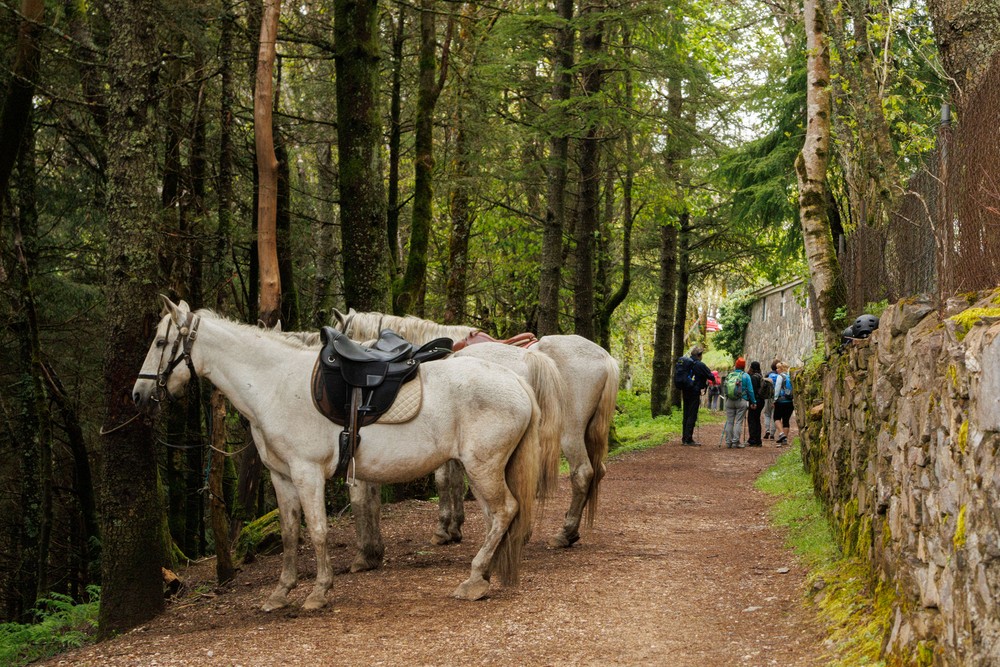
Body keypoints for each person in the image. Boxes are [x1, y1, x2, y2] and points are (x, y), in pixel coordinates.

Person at [680, 346, 715, 446]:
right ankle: (688, 439)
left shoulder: (686, 363)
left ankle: (684, 437)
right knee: (692, 414)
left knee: (686, 414)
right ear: (699, 355)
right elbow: (711, 376)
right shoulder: (700, 364)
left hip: (685, 391)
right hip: (694, 392)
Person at [723, 357, 756, 448]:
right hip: (741, 401)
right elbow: (750, 390)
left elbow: (725, 388)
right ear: (744, 366)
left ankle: (728, 442)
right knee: (738, 422)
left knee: (729, 421)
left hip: (729, 401)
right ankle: (735, 442)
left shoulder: (730, 375)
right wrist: (753, 401)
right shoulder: (746, 376)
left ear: (736, 366)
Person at [772, 362, 794, 446]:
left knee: (776, 418)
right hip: (789, 401)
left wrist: (774, 399)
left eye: (778, 368)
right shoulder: (790, 376)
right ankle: (785, 440)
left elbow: (777, 388)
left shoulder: (780, 376)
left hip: (781, 401)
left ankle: (781, 434)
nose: (776, 370)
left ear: (781, 369)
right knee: (786, 420)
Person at [746, 361, 765, 446]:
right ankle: (758, 440)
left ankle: (752, 440)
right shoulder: (760, 376)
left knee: (752, 419)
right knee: (757, 420)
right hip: (761, 400)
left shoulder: (753, 377)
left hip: (755, 400)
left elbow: (752, 391)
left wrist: (752, 402)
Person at [764, 360, 780, 440]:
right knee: (775, 416)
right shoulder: (780, 376)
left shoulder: (767, 375)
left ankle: (767, 430)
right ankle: (772, 434)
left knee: (767, 414)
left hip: (767, 398)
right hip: (776, 398)